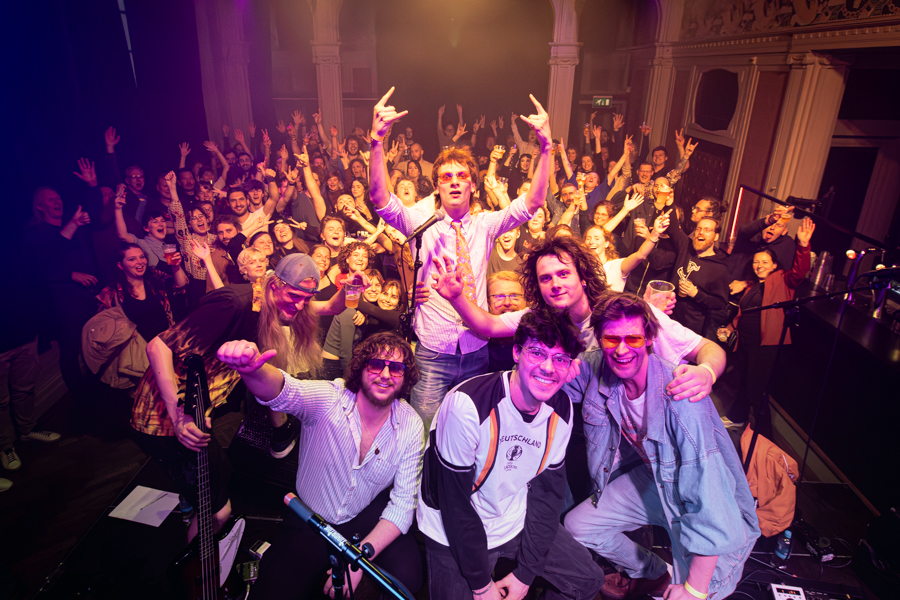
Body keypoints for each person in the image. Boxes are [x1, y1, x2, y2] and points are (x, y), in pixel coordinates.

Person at [131, 254, 357, 542]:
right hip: (162, 418)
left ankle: (190, 500)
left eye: (306, 298)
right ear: (274, 285)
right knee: (217, 513)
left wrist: (351, 287)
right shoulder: (233, 303)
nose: (300, 306)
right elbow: (157, 347)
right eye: (294, 296)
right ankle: (200, 569)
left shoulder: (274, 301)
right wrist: (177, 417)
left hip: (194, 412)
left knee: (222, 475)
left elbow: (329, 307)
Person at [369, 87, 554, 427]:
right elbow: (380, 198)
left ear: (473, 185)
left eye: (462, 176)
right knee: (423, 429)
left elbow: (533, 202)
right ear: (437, 186)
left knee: (469, 429)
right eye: (446, 177)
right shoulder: (420, 222)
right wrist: (377, 142)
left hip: (476, 350)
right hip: (433, 353)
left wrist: (546, 147)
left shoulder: (486, 225)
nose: (454, 182)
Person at [563, 293, 759, 599]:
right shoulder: (596, 367)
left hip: (701, 501)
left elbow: (708, 494)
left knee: (701, 591)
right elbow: (549, 382)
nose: (622, 349)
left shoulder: (681, 396)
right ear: (599, 340)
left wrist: (695, 590)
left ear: (651, 338)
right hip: (653, 479)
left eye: (633, 339)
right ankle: (654, 573)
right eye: (611, 339)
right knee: (579, 525)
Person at [216, 332, 424, 599]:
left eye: (396, 368)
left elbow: (404, 504)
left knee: (409, 578)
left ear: (406, 377)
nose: (385, 375)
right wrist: (252, 370)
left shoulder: (411, 424)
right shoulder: (329, 398)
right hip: (312, 518)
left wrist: (359, 560)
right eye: (376, 364)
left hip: (365, 515)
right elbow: (284, 390)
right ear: (360, 368)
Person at [417, 309, 604, 600]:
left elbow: (547, 495)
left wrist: (525, 575)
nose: (548, 368)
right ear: (516, 352)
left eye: (560, 359)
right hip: (451, 527)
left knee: (588, 579)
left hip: (511, 518)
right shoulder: (468, 406)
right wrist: (481, 585)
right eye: (537, 353)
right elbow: (454, 503)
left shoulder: (562, 409)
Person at [718, 217, 815, 430]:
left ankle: (763, 435)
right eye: (756, 262)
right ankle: (737, 417)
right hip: (747, 342)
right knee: (745, 381)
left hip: (765, 345)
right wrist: (731, 327)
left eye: (764, 262)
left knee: (756, 390)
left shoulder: (783, 280)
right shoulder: (753, 285)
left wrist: (803, 245)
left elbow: (799, 271)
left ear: (774, 265)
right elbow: (744, 312)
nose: (759, 266)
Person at [669, 217, 730, 338]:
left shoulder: (720, 268)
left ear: (716, 236)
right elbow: (673, 228)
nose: (701, 232)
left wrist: (696, 294)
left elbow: (720, 303)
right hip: (668, 316)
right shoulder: (686, 247)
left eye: (707, 230)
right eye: (698, 229)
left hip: (690, 328)